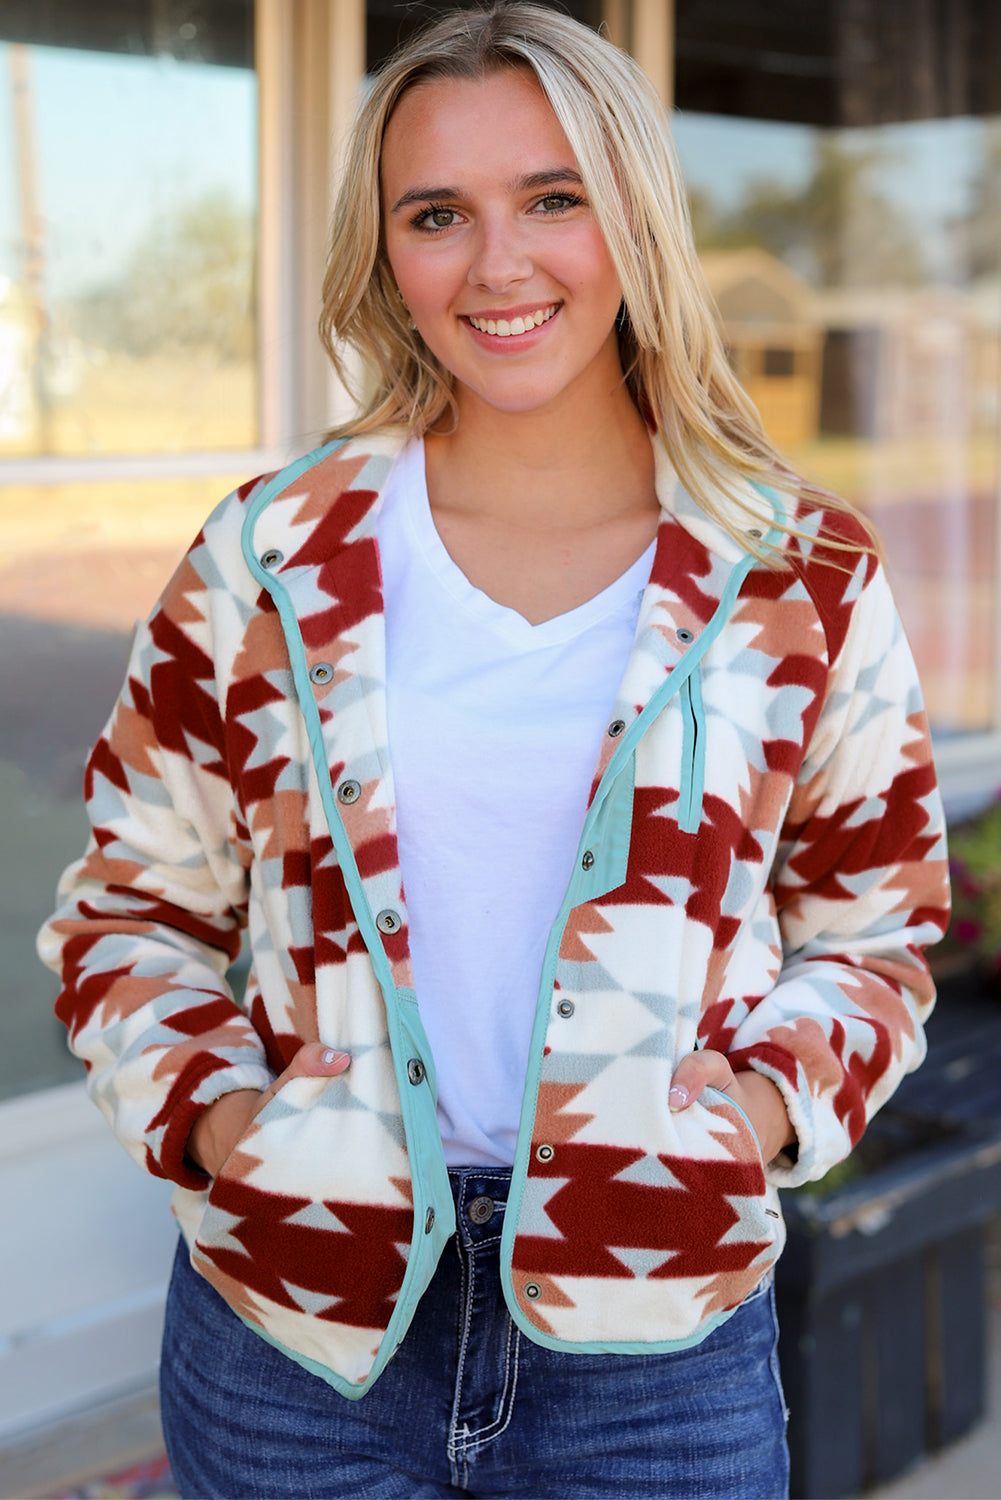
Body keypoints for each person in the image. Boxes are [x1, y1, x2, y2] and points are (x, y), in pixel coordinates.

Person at [38, 5, 950, 1497]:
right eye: (437, 214)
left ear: (634, 218)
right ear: (386, 253)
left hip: (655, 1351)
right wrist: (219, 1123)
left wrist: (756, 1112)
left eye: (551, 197)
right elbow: (129, 907)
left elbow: (878, 929)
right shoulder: (270, 558)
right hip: (297, 1343)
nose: (497, 263)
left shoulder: (796, 571)